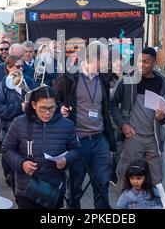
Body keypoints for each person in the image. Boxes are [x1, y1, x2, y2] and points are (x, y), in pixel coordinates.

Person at [53, 41, 116, 209]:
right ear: (94, 58)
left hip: (100, 139)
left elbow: (107, 105)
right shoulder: (70, 77)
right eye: (105, 59)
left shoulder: (103, 77)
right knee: (74, 187)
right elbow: (52, 99)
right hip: (78, 141)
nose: (107, 63)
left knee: (102, 183)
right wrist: (60, 108)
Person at [2, 86, 81, 209]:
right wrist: (22, 164)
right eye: (43, 108)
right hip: (26, 187)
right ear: (34, 105)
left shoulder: (67, 125)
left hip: (53, 187)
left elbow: (76, 150)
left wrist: (66, 160)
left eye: (51, 108)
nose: (47, 113)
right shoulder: (19, 123)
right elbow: (7, 150)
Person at [110, 47, 165, 191]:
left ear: (155, 62)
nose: (141, 64)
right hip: (132, 137)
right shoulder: (127, 80)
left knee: (157, 178)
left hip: (154, 139)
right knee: (126, 175)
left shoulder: (164, 84)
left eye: (146, 62)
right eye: (139, 61)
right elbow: (111, 104)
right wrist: (122, 125)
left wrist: (163, 117)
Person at [0, 56, 28, 187]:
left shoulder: (28, 82)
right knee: (9, 156)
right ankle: (10, 177)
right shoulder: (1, 88)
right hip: (9, 128)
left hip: (27, 128)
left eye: (22, 66)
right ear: (8, 68)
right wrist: (20, 107)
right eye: (17, 67)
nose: (21, 69)